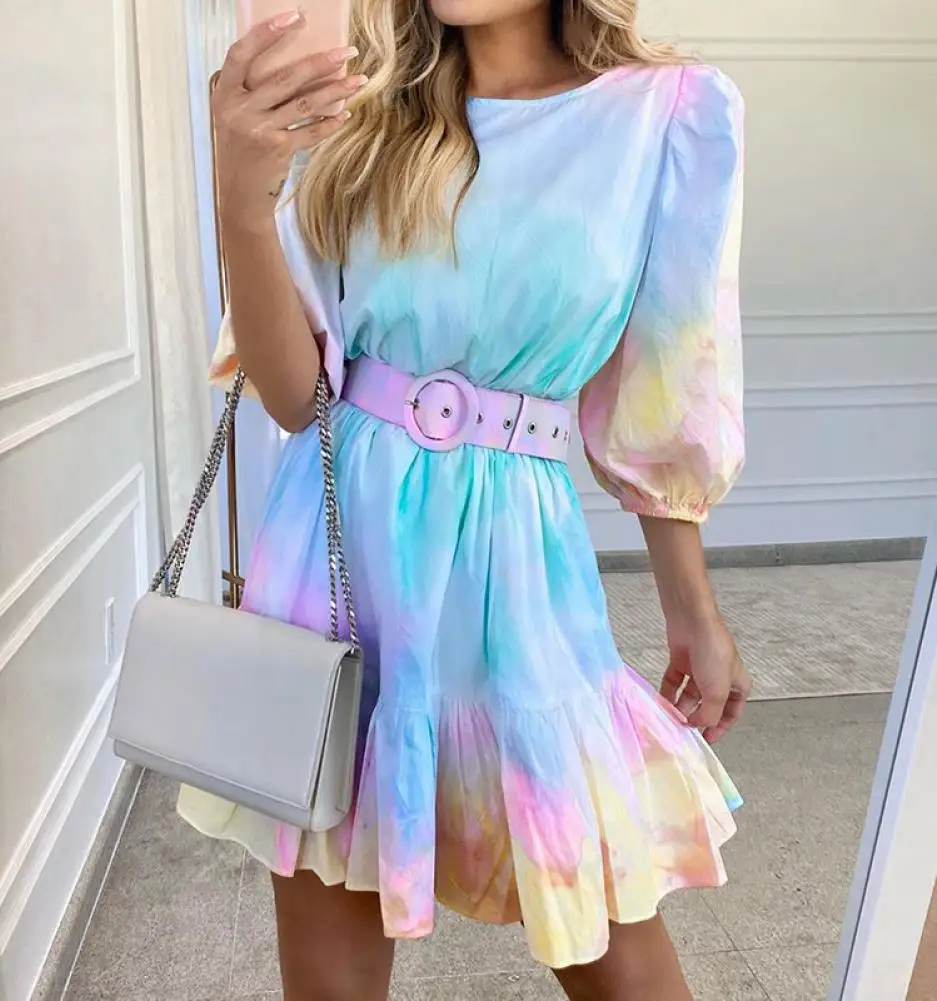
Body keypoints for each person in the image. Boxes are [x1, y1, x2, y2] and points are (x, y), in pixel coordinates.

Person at [181, 0, 752, 996]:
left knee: (610, 940)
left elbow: (667, 380)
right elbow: (296, 397)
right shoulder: (359, 109)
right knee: (328, 974)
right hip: (334, 564)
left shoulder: (667, 116)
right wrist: (239, 199)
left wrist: (691, 610)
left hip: (515, 566)